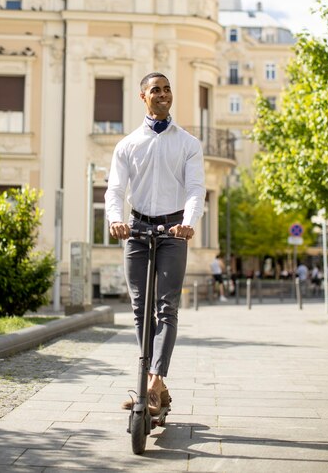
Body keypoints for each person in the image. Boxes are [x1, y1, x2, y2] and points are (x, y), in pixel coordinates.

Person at [105, 72, 205, 415]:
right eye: (155, 90)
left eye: (166, 89)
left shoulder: (189, 143)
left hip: (174, 230)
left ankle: (153, 380)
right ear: (142, 97)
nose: (163, 94)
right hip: (137, 228)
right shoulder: (128, 144)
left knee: (167, 308)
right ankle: (154, 383)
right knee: (139, 308)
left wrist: (189, 224)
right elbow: (115, 190)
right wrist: (115, 220)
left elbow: (195, 189)